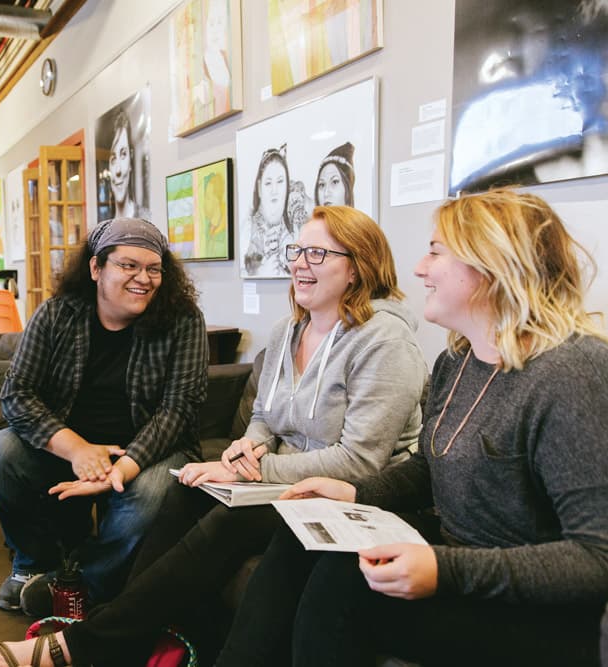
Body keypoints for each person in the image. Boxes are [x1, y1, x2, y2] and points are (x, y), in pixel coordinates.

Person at [0, 205, 428, 667]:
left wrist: (247, 467)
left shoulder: (384, 340)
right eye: (297, 250)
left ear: (358, 266)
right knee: (186, 493)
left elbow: (359, 463)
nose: (300, 262)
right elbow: (265, 417)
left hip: (346, 492)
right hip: (282, 480)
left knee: (199, 505)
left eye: (318, 253)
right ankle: (130, 630)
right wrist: (248, 446)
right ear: (96, 268)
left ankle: (88, 644)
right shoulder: (290, 328)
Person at [218, 188, 608, 666]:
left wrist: (445, 570)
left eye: (436, 252)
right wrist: (353, 493)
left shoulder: (573, 373)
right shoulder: (457, 360)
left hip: (538, 609)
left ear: (492, 265)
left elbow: (595, 559)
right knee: (302, 538)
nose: (420, 268)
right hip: (460, 553)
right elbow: (429, 466)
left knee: (343, 592)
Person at [0, 217, 208, 617]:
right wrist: (77, 449)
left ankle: (83, 578)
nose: (144, 278)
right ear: (96, 268)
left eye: (154, 269)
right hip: (71, 444)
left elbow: (181, 407)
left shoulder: (183, 320)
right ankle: (33, 563)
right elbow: (16, 393)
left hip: (150, 448)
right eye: (128, 265)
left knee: (150, 495)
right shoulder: (57, 315)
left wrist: (126, 465)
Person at [243, 145, 296, 276]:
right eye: (268, 183)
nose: (274, 191)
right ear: (260, 188)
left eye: (280, 181)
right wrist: (260, 272)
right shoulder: (248, 229)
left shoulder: (295, 226)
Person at [105, 111, 150, 221]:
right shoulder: (104, 231)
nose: (118, 170)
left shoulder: (147, 220)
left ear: (131, 160)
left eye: (123, 154)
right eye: (113, 159)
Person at [314, 141, 355, 207]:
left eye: (335, 182)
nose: (326, 193)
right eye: (322, 185)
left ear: (348, 186)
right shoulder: (309, 216)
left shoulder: (361, 217)